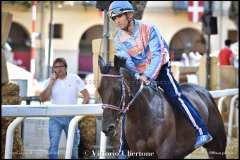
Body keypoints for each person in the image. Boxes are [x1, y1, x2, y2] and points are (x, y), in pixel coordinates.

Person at [108, 1, 213, 149]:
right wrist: (138, 76)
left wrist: (148, 75)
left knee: (176, 95)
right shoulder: (118, 39)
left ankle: (201, 131)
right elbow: (128, 62)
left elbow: (157, 55)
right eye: (114, 18)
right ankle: (123, 148)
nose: (117, 21)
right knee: (127, 102)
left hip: (160, 68)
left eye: (119, 16)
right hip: (139, 74)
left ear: (130, 14)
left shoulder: (149, 29)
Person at [39, 57, 90, 159]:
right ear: (53, 69)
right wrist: (52, 83)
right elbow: (42, 98)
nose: (59, 69)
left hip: (72, 117)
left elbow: (86, 95)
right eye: (56, 67)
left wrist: (80, 112)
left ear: (66, 67)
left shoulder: (74, 78)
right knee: (53, 147)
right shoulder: (50, 81)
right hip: (55, 118)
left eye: (61, 66)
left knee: (73, 147)